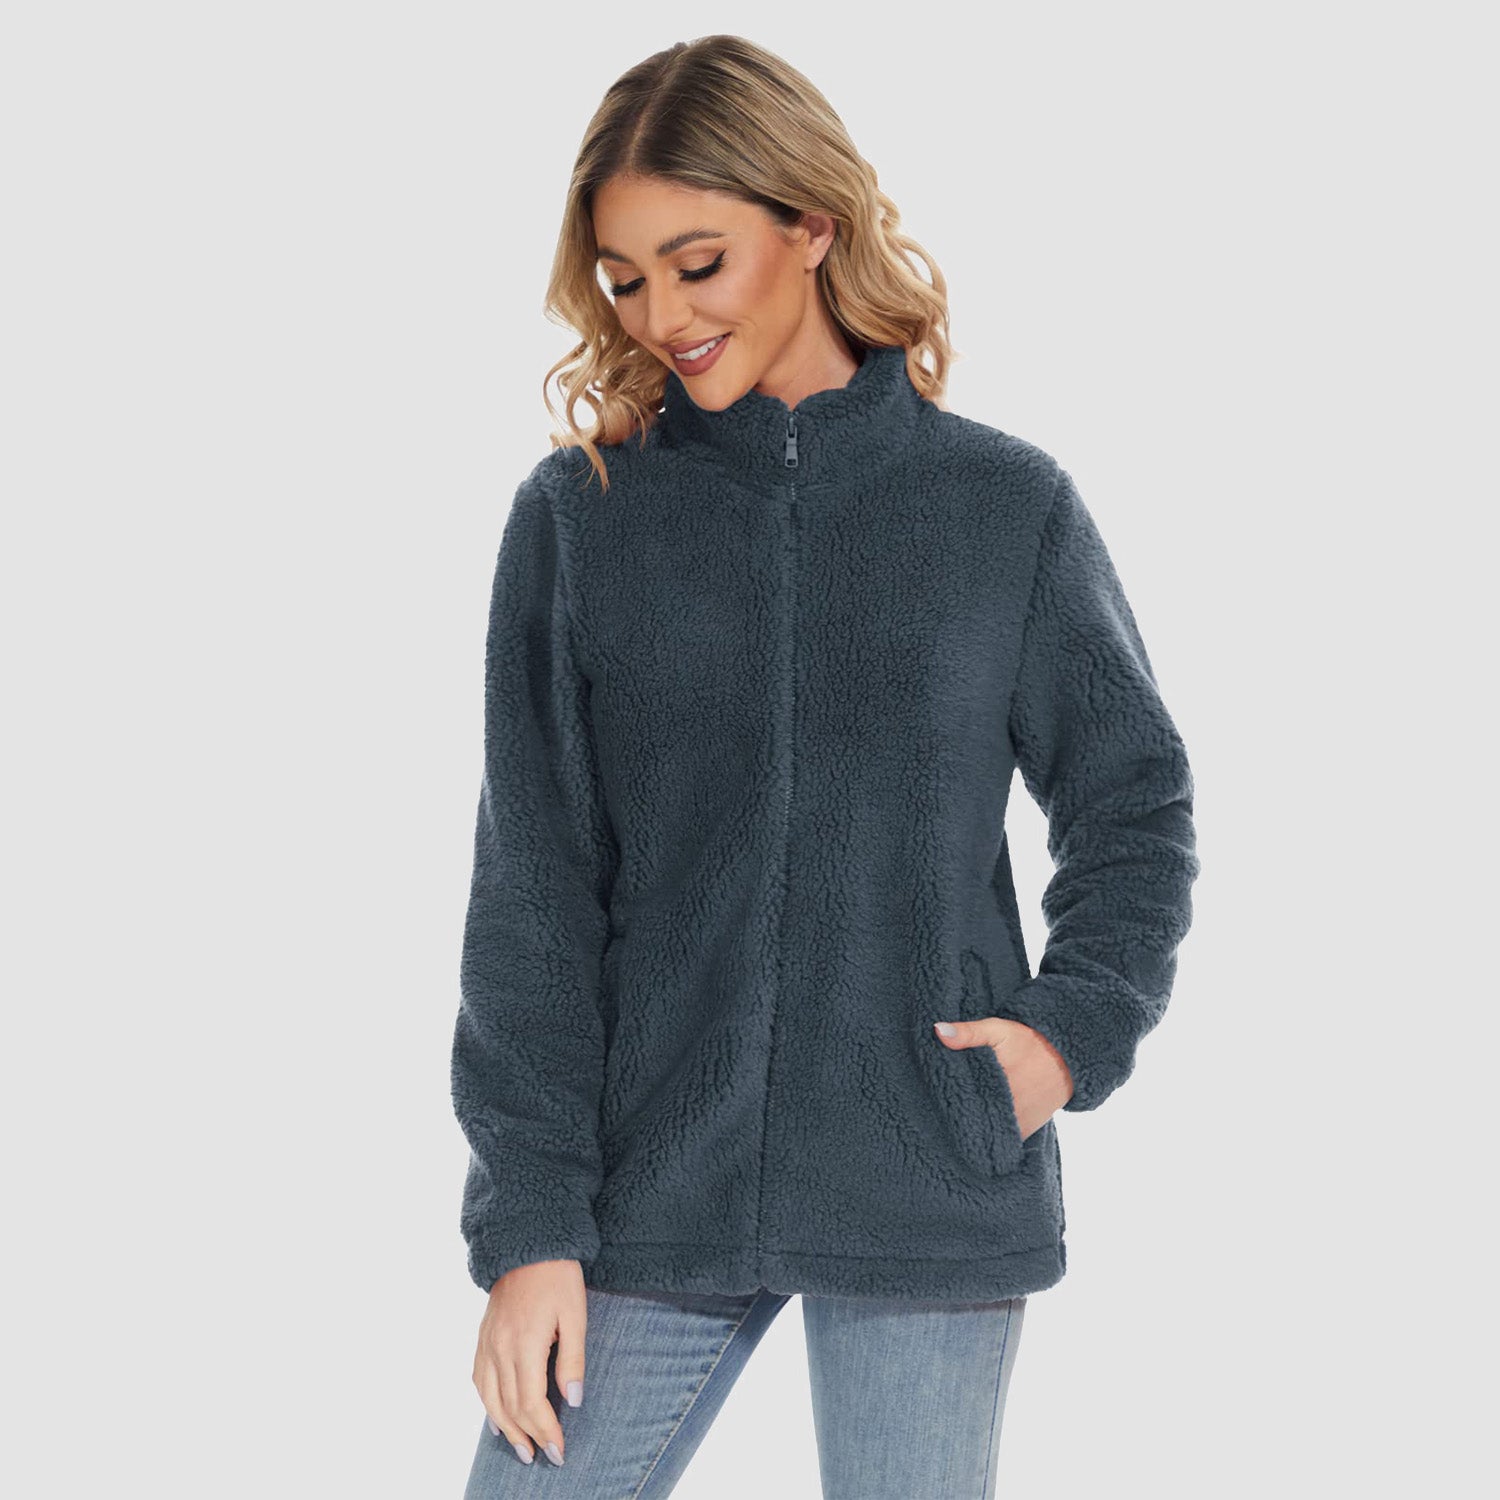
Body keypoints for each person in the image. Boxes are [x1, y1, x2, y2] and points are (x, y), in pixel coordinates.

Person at [451, 34, 1200, 1499]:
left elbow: (1136, 805)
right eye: (624, 279)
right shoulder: (582, 521)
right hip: (645, 1187)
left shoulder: (1002, 509)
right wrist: (529, 1225)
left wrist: (1064, 1038)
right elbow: (532, 893)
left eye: (699, 264)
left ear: (812, 226)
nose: (662, 315)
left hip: (926, 1172)